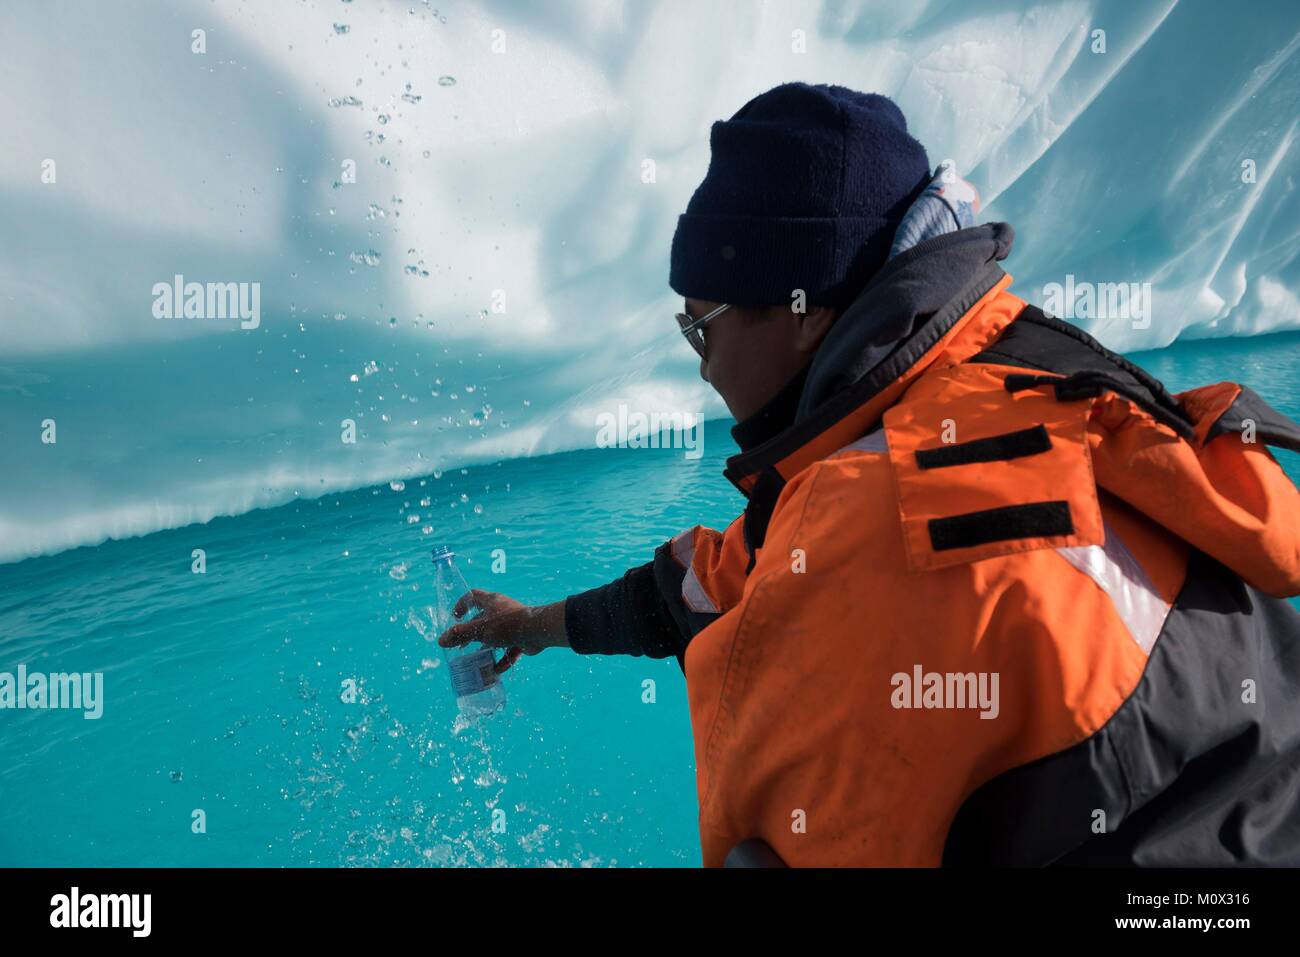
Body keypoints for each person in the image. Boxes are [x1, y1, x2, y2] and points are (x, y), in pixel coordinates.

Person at [440, 82, 1300, 867]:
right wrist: (540, 624)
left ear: (807, 317)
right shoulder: (1013, 384)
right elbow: (724, 576)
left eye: (702, 328)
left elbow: (802, 836)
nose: (701, 369)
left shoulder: (877, 521)